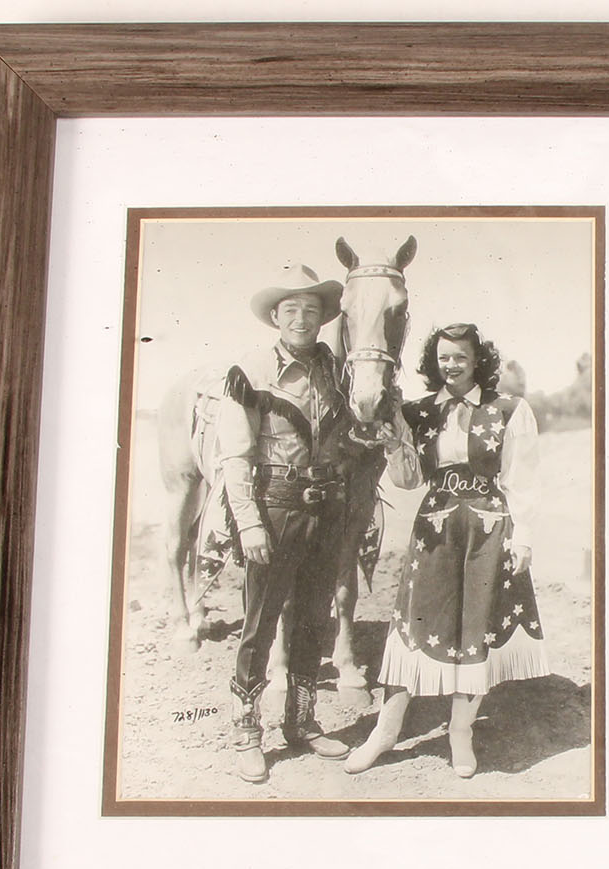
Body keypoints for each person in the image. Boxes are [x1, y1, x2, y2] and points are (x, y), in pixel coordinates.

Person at [345, 323, 549, 778]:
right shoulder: (418, 412)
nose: (451, 365)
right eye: (443, 358)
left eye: (460, 357)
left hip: (488, 531)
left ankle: (461, 732)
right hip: (435, 530)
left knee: (476, 627)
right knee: (413, 625)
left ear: (477, 360)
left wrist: (523, 538)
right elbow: (408, 480)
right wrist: (394, 440)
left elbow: (523, 479)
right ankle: (385, 732)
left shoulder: (508, 410)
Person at [216, 264, 360, 783]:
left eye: (311, 310)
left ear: (323, 318)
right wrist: (249, 524)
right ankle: (247, 732)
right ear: (276, 317)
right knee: (260, 622)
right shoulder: (249, 372)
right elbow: (235, 456)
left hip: (327, 509)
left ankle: (301, 723)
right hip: (275, 509)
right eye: (291, 309)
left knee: (314, 618)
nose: (302, 319)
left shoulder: (340, 372)